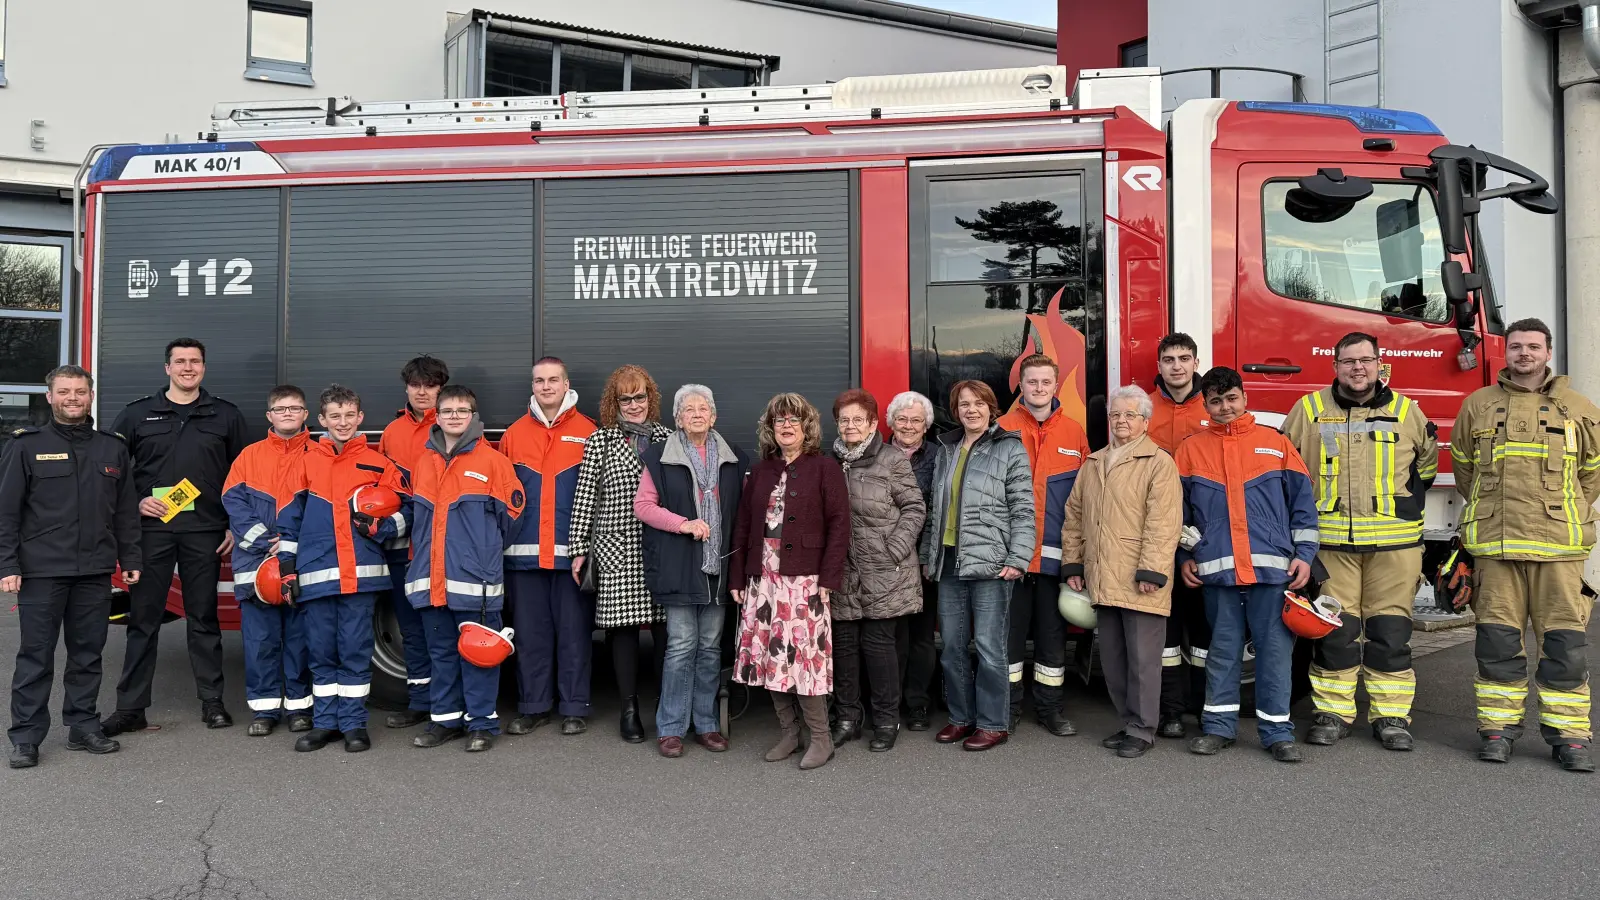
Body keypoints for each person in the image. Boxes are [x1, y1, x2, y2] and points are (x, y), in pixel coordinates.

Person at [1453, 318, 1599, 773]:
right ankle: (1497, 731)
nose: (1524, 354)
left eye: (1533, 347)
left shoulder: (1578, 407)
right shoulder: (1477, 405)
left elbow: (1591, 475)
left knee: (1565, 648)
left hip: (1558, 550)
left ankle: (1570, 738)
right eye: (1516, 347)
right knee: (1496, 646)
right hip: (1496, 551)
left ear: (1548, 353)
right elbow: (1464, 470)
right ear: (1506, 353)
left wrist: (1564, 513)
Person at [1283, 332, 1438, 752]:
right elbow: (1289, 468)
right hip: (1332, 546)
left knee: (1390, 633)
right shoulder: (1309, 410)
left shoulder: (1407, 412)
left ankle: (1390, 717)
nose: (1358, 368)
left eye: (1366, 361)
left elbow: (1426, 466)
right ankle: (1332, 713)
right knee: (1336, 632)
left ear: (1379, 365)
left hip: (1395, 546)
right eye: (1349, 361)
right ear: (1335, 366)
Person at [105, 338, 249, 736]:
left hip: (206, 532)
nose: (188, 368)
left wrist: (235, 525)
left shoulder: (225, 415)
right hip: (151, 533)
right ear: (166, 368)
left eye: (195, 361)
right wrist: (135, 502)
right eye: (180, 362)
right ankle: (131, 708)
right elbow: (108, 470)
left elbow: (245, 476)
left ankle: (213, 703)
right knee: (144, 620)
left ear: (204, 367)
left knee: (204, 618)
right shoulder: (137, 415)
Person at [1175, 367, 1318, 763]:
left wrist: (1304, 557)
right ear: (1205, 404)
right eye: (1216, 401)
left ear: (1244, 397)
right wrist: (1185, 557)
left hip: (1272, 575)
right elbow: (1178, 516)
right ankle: (1218, 728)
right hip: (1217, 574)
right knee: (1221, 652)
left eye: (1231, 398)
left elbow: (1303, 509)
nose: (1225, 407)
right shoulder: (1190, 450)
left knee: (1274, 654)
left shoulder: (1276, 444)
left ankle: (1277, 732)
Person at [2, 366, 141, 769]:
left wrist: (130, 557)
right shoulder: (25, 446)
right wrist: (6, 563)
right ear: (50, 397)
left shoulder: (111, 447)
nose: (73, 398)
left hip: (94, 571)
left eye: (80, 391)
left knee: (87, 653)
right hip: (42, 570)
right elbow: (7, 511)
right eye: (65, 392)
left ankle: (83, 726)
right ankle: (26, 737)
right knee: (36, 655)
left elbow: (126, 511)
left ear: (91, 396)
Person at [276, 384, 410, 753]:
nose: (343, 422)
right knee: (320, 653)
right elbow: (288, 523)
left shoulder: (379, 463)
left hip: (361, 579)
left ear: (361, 417)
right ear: (321, 420)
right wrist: (287, 571)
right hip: (316, 577)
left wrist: (382, 528)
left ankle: (353, 725)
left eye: (350, 415)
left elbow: (408, 510)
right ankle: (324, 725)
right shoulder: (305, 463)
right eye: (335, 416)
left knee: (354, 650)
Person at [730, 394, 851, 770]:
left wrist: (830, 576)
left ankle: (820, 738)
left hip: (805, 579)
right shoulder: (761, 469)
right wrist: (738, 575)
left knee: (803, 658)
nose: (786, 427)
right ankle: (789, 732)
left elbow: (839, 524)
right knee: (768, 653)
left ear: (806, 428)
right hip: (762, 576)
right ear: (771, 428)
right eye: (779, 421)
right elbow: (744, 525)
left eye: (793, 421)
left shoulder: (825, 468)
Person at [1060, 386, 1182, 758]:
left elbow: (1164, 523)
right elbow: (1074, 517)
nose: (1121, 421)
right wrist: (1074, 563)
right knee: (1113, 659)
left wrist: (1152, 570)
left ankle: (1143, 729)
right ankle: (1128, 720)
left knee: (1144, 661)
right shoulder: (1094, 463)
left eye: (1130, 415)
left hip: (1141, 579)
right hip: (1102, 578)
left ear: (1145, 421)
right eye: (1116, 415)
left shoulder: (1158, 462)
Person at [404, 386, 524, 752]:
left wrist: (480, 553)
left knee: (478, 654)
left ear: (474, 415)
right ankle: (445, 721)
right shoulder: (423, 461)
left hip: (476, 580)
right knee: (440, 654)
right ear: (436, 415)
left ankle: (482, 724)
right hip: (430, 578)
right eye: (447, 410)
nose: (454, 416)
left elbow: (512, 519)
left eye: (462, 410)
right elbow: (415, 518)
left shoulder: (493, 461)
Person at [635, 385, 748, 758]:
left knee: (711, 648)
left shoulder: (735, 460)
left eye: (704, 408)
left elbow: (744, 515)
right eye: (688, 409)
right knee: (681, 647)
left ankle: (706, 724)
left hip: (719, 566)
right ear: (678, 418)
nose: (697, 414)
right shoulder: (658, 457)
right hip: (678, 566)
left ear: (713, 417)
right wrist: (683, 524)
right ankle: (670, 728)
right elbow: (644, 507)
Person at [921, 381, 1034, 752]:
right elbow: (934, 512)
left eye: (979, 403)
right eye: (964, 404)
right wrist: (928, 557)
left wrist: (1018, 558)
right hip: (949, 562)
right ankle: (960, 718)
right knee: (951, 646)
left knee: (989, 647)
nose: (971, 410)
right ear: (956, 410)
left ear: (991, 407)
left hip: (992, 564)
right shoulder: (946, 449)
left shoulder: (1009, 448)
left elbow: (1023, 509)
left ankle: (992, 723)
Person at [568, 365, 671, 744]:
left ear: (650, 398)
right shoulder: (601, 441)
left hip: (661, 547)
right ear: (615, 402)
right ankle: (629, 710)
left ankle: (665, 707)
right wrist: (579, 549)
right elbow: (584, 499)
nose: (633, 405)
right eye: (625, 399)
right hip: (616, 550)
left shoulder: (667, 438)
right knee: (623, 631)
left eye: (639, 397)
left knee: (664, 631)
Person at [499, 357, 598, 735]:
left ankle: (574, 707)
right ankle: (533, 706)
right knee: (530, 637)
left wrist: (587, 549)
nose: (545, 386)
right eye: (539, 380)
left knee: (574, 637)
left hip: (573, 558)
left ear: (566, 383)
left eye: (553, 380)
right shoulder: (514, 434)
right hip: (523, 558)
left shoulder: (589, 432)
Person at [997, 355, 1090, 736]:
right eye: (1031, 382)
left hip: (1056, 562)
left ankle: (1051, 710)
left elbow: (1085, 500)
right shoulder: (1000, 428)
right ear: (1021, 385)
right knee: (1008, 643)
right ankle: (1008, 708)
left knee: (1054, 643)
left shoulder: (1075, 432)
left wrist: (1078, 560)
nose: (1038, 388)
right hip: (1009, 561)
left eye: (1045, 382)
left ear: (1055, 385)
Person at [220, 385, 313, 737]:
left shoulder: (319, 455)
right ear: (269, 416)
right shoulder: (248, 456)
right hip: (254, 564)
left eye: (295, 408)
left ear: (306, 415)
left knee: (300, 640)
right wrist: (264, 539)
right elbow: (232, 500)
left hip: (299, 561)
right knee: (260, 641)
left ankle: (300, 709)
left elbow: (321, 507)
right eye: (280, 408)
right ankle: (264, 710)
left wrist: (292, 543)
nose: (287, 413)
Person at [376, 355, 450, 730]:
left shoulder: (456, 426)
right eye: (417, 385)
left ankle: (447, 702)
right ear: (407, 387)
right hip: (401, 548)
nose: (423, 392)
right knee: (411, 629)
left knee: (441, 630)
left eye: (431, 385)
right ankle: (420, 701)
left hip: (440, 548)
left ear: (441, 388)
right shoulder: (392, 432)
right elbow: (387, 491)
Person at [1149, 332, 1211, 738]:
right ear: (1159, 365)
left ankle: (1207, 709)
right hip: (1154, 531)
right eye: (1169, 359)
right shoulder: (1141, 409)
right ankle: (1170, 712)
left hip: (1203, 532)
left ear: (1195, 362)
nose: (1176, 366)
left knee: (1205, 632)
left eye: (1184, 358)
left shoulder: (1214, 405)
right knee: (1166, 635)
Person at [885, 390, 941, 731]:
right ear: (891, 422)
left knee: (921, 637)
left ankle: (918, 703)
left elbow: (938, 509)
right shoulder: (875, 455)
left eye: (916, 420)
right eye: (902, 419)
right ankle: (888, 703)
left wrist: (927, 557)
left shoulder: (939, 457)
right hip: (884, 560)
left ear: (926, 425)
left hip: (922, 559)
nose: (908, 426)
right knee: (891, 637)